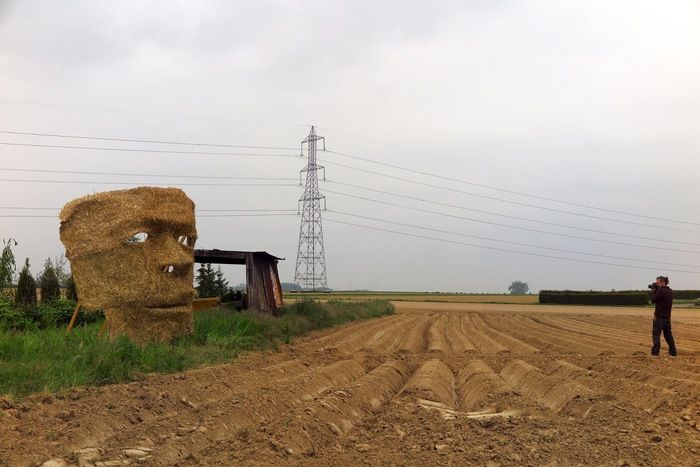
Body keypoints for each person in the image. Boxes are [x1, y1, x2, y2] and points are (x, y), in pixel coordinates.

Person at [650, 275, 677, 356]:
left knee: (656, 335)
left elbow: (652, 300)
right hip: (667, 317)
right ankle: (673, 352)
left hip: (659, 317)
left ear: (662, 282)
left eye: (657, 283)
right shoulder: (670, 291)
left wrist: (654, 290)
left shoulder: (660, 291)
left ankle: (655, 353)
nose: (657, 284)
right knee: (668, 336)